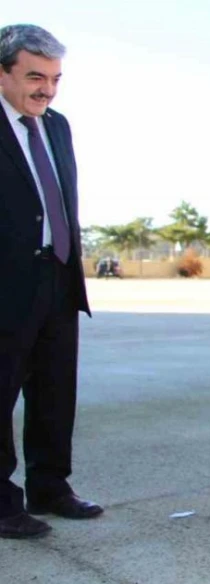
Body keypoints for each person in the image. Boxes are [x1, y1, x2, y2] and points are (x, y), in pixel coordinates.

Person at [0, 24, 101, 540]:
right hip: (6, 284)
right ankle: (0, 502)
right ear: (3, 72)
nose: (47, 89)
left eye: (56, 78)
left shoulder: (56, 125)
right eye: (35, 77)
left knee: (56, 391)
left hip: (59, 277)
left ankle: (50, 487)